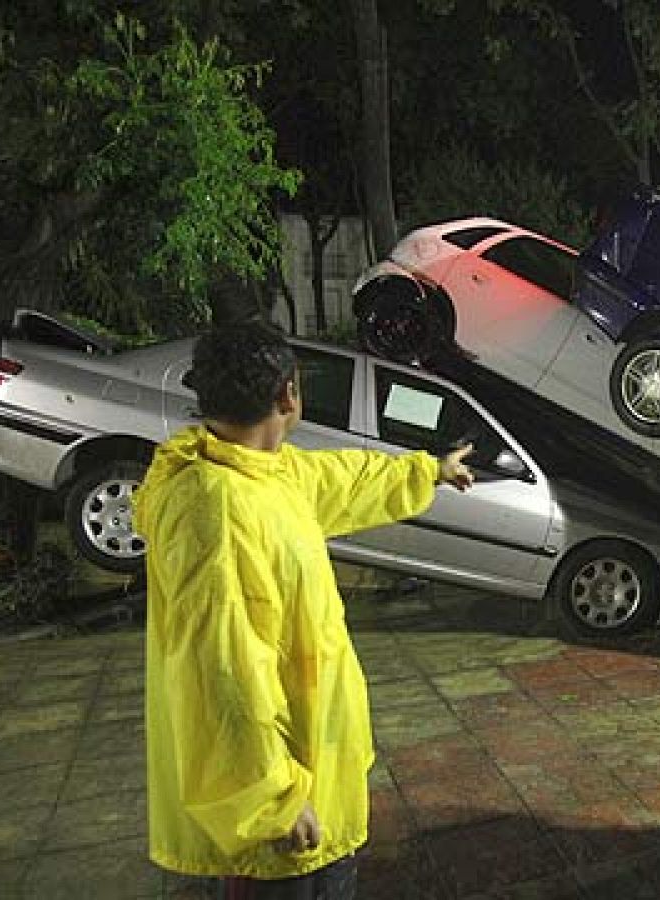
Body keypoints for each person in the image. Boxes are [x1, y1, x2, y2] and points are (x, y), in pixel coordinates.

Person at [135, 321, 474, 898]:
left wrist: (428, 471)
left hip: (308, 770)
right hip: (282, 815)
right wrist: (273, 800)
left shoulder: (262, 473)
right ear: (288, 394)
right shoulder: (219, 512)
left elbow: (341, 477)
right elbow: (224, 676)